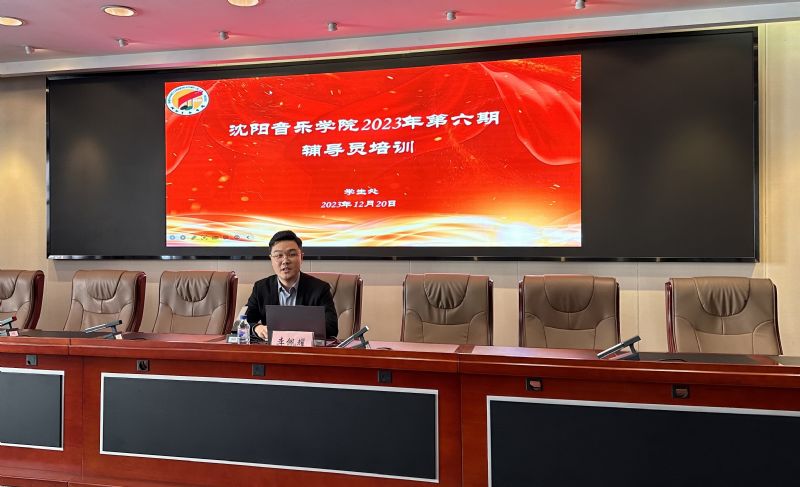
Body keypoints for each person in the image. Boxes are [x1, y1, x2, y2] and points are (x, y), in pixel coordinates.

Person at [245, 230, 338, 339]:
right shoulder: (261, 288)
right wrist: (256, 328)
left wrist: (294, 330)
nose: (285, 261)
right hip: (273, 348)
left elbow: (332, 327)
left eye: (292, 254)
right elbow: (241, 322)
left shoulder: (320, 289)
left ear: (301, 257)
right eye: (278, 255)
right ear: (271, 259)